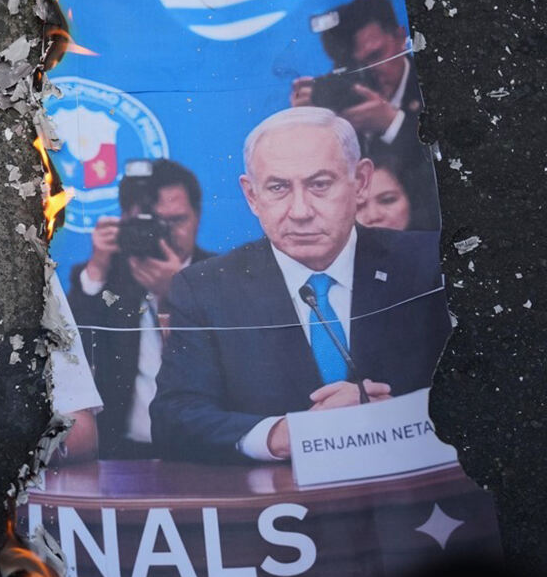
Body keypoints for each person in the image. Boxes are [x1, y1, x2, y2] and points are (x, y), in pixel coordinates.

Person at [151, 107, 449, 463]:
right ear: (252, 196)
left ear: (360, 181)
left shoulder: (432, 263)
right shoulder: (206, 288)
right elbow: (173, 419)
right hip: (281, 495)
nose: (300, 211)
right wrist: (285, 434)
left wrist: (399, 416)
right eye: (278, 188)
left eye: (319, 184)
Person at [67, 158, 214, 458]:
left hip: (201, 451)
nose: (164, 234)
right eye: (152, 224)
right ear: (125, 220)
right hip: (122, 452)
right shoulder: (107, 276)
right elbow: (73, 357)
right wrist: (97, 270)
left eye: (176, 221)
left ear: (198, 217)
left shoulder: (218, 276)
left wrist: (174, 294)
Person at [290, 0, 438, 228]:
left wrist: (393, 124)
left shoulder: (433, 79)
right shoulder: (337, 99)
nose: (369, 72)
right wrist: (309, 130)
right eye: (354, 66)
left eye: (375, 56)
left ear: (401, 37)